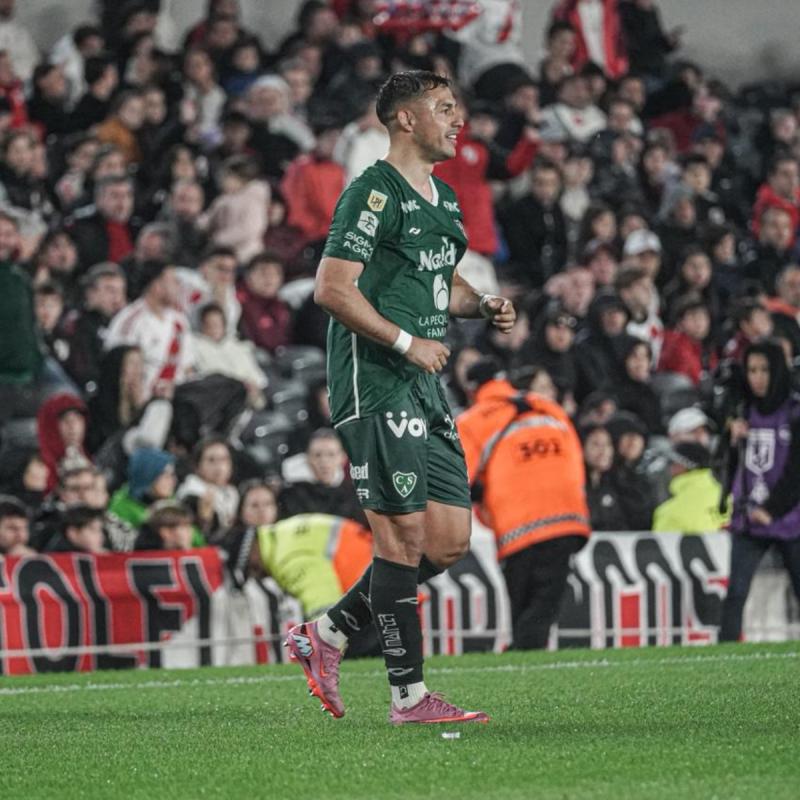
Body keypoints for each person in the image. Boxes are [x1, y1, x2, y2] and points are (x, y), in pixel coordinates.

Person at [284, 71, 515, 725]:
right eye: (444, 108)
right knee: (402, 534)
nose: (458, 120)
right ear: (406, 119)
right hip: (377, 376)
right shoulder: (373, 191)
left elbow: (444, 281)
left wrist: (481, 304)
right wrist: (407, 340)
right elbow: (331, 287)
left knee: (446, 542)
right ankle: (407, 696)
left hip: (423, 380)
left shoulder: (442, 198)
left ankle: (325, 633)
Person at [457, 361, 589, 650]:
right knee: (544, 603)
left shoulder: (472, 421)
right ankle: (524, 653)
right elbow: (576, 456)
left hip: (516, 524)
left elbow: (457, 477)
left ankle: (522, 653)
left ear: (471, 388)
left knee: (524, 603)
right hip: (565, 514)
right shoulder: (546, 406)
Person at [719, 340, 800, 641]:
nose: (758, 377)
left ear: (777, 370)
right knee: (736, 593)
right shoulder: (742, 411)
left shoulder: (794, 412)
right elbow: (729, 459)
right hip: (749, 518)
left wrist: (773, 509)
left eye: (765, 369)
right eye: (752, 370)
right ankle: (720, 659)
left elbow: (796, 472)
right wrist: (729, 430)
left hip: (789, 518)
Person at [223, 513, 373, 617]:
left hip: (370, 589)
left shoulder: (286, 559)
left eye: (251, 569)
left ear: (252, 554)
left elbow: (324, 606)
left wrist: (321, 645)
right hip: (374, 562)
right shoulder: (284, 532)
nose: (258, 576)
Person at [652, 442, 728, 534]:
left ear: (681, 466)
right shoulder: (730, 498)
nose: (670, 468)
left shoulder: (668, 513)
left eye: (671, 463)